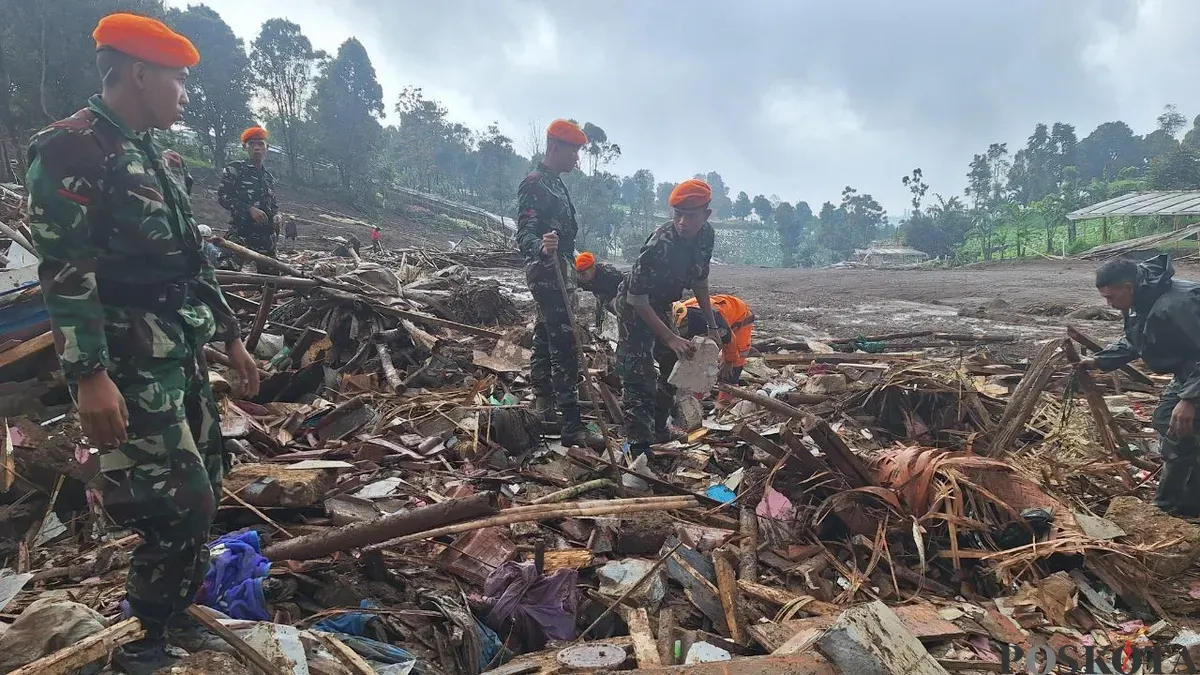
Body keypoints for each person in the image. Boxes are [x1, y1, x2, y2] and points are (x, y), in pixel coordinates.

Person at [25, 14, 260, 674]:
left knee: (207, 487)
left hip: (177, 350)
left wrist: (234, 338)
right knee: (177, 504)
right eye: (178, 79)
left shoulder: (154, 151)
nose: (186, 93)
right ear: (137, 74)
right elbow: (65, 271)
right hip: (126, 362)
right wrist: (89, 375)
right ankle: (145, 639)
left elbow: (192, 260)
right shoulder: (72, 148)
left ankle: (177, 615)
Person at [1081, 254, 1200, 517]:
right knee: (1169, 423)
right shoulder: (1142, 300)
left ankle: (1181, 508)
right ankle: (1177, 501)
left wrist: (1190, 399)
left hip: (1195, 375)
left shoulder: (1177, 304)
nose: (1109, 305)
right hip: (1189, 373)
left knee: (1183, 429)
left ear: (1128, 287)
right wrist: (1098, 361)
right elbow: (1138, 340)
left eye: (1111, 298)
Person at [516, 119, 604, 449]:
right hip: (546, 271)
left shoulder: (555, 183)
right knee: (565, 342)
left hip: (561, 269)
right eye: (574, 152)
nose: (577, 159)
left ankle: (544, 405)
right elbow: (524, 231)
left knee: (544, 334)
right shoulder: (535, 182)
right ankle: (571, 425)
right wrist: (541, 247)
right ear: (555, 148)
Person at [617, 179, 719, 456]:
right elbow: (636, 298)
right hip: (634, 306)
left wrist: (712, 325)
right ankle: (638, 447)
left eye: (690, 215)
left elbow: (700, 280)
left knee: (673, 362)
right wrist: (669, 336)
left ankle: (659, 426)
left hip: (661, 304)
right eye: (677, 214)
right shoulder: (659, 244)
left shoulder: (706, 236)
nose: (682, 222)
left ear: (706, 215)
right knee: (638, 373)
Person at [218, 125, 280, 273]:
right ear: (244, 146)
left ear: (267, 147)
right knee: (226, 273)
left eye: (260, 144)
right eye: (252, 144)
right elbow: (223, 197)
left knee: (272, 280)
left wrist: (277, 215)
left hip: (266, 238)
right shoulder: (235, 169)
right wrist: (249, 209)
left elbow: (273, 204)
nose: (256, 147)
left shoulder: (268, 177)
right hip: (241, 232)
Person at [674, 294, 754, 405]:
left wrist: (729, 361)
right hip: (715, 309)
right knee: (697, 361)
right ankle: (695, 401)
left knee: (733, 364)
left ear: (686, 320)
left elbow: (729, 340)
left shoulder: (710, 319)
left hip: (739, 317)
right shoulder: (676, 314)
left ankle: (723, 404)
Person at [575, 251, 624, 330]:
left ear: (592, 268)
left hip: (617, 293)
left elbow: (624, 286)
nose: (581, 277)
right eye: (578, 274)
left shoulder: (609, 275)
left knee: (607, 306)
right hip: (601, 294)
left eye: (583, 274)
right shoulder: (581, 280)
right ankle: (600, 328)